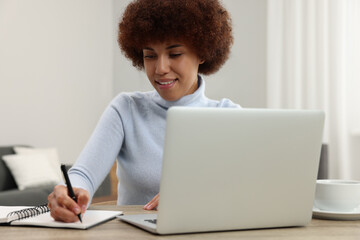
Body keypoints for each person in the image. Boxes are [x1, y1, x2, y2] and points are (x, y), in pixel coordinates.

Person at [48, 0, 241, 223]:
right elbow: (83, 175)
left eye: (175, 54)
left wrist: (196, 196)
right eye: (150, 56)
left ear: (202, 53)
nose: (160, 69)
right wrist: (69, 194)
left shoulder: (229, 116)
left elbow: (247, 190)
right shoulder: (126, 109)